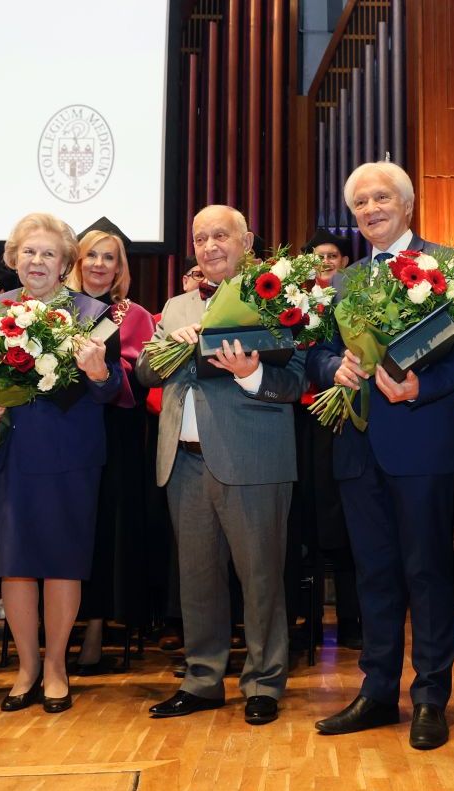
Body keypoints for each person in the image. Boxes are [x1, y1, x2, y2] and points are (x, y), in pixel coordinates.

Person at [308, 161, 454, 751]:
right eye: (361, 203)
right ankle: (378, 691)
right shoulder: (342, 282)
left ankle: (431, 695)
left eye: (382, 198)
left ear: (407, 205)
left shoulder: (448, 267)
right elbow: (316, 356)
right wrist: (336, 366)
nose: (372, 209)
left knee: (428, 573)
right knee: (374, 576)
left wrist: (419, 387)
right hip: (358, 449)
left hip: (424, 441)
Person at [138, 205, 305, 726]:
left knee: (259, 578)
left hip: (253, 457)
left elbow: (296, 380)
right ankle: (202, 679)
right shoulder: (175, 304)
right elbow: (144, 370)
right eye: (201, 238)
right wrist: (170, 347)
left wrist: (251, 374)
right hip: (183, 462)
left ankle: (264, 682)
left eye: (220, 236)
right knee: (197, 579)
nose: (209, 246)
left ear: (246, 240)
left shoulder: (274, 298)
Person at [0, 213, 119, 713]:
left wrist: (99, 373)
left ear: (65, 265)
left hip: (68, 454)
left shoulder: (93, 314)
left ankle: (56, 666)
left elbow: (115, 389)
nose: (37, 261)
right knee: (13, 565)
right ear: (13, 258)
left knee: (62, 562)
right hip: (6, 452)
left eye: (49, 254)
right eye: (29, 252)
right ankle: (26, 668)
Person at [66, 218, 158, 675]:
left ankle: (97, 627)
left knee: (105, 528)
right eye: (92, 255)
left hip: (114, 431)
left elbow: (142, 379)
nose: (100, 265)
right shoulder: (55, 309)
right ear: (76, 261)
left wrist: (107, 367)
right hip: (62, 431)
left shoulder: (135, 315)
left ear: (120, 267)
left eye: (110, 257)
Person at [288, 228, 361, 651]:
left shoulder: (354, 301)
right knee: (307, 522)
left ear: (345, 262)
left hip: (345, 421)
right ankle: (308, 619)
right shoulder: (293, 305)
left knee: (347, 522)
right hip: (303, 421)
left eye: (334, 255)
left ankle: (353, 619)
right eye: (319, 256)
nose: (327, 261)